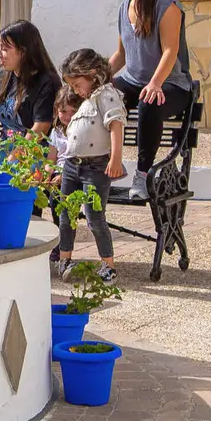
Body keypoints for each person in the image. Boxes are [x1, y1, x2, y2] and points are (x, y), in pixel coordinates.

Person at [109, 0, 194, 200]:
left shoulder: (166, 4)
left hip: (171, 84)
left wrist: (156, 83)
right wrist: (96, 81)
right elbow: (121, 55)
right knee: (104, 98)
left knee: (149, 101)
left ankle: (143, 174)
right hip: (134, 80)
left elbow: (170, 50)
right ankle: (99, 168)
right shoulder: (125, 8)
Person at [57, 48, 127, 282]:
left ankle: (108, 264)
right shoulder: (87, 100)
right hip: (72, 165)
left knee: (94, 216)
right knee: (66, 213)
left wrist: (115, 158)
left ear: (94, 74)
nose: (75, 90)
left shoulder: (107, 96)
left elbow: (116, 125)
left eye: (77, 84)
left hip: (95, 167)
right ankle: (65, 258)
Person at [0, 20, 62, 138]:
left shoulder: (47, 84)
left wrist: (13, 156)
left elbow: (40, 130)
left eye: (5, 49)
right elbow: (2, 92)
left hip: (32, 152)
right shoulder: (4, 75)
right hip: (5, 148)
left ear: (23, 52)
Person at [46, 87, 83, 263]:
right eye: (63, 112)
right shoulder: (57, 131)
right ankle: (52, 237)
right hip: (58, 175)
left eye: (72, 112)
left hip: (75, 174)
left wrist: (61, 176)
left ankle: (62, 242)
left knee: (60, 200)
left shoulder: (81, 131)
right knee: (45, 196)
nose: (67, 117)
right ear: (56, 111)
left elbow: (76, 158)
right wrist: (46, 176)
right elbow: (51, 158)